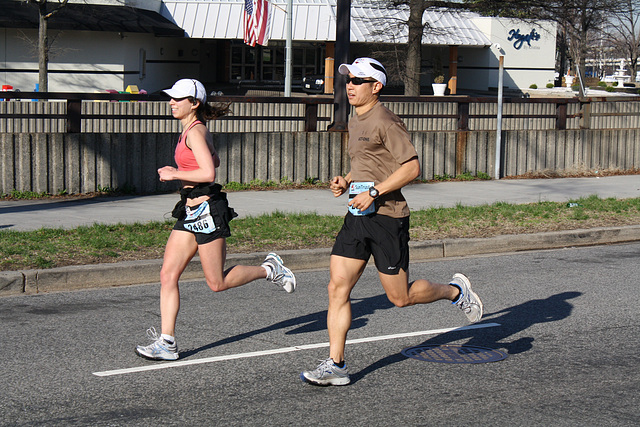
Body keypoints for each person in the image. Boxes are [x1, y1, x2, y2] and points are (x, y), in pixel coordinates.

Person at [299, 59, 483, 386]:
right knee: (336, 288)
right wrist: (348, 181)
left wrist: (373, 191)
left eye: (358, 80)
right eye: (348, 80)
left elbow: (411, 168)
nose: (350, 86)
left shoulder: (386, 121)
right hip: (358, 217)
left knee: (400, 298)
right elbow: (370, 162)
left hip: (388, 219)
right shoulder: (356, 120)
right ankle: (336, 363)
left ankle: (455, 291)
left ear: (376, 86)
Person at [135, 78, 296, 361]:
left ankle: (270, 269)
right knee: (167, 274)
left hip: (208, 211)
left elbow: (209, 173)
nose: (171, 102)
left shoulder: (195, 133)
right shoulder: (194, 130)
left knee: (217, 282)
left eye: (177, 98)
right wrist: (183, 168)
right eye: (170, 97)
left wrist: (175, 174)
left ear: (194, 103)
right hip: (189, 210)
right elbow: (214, 160)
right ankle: (167, 342)